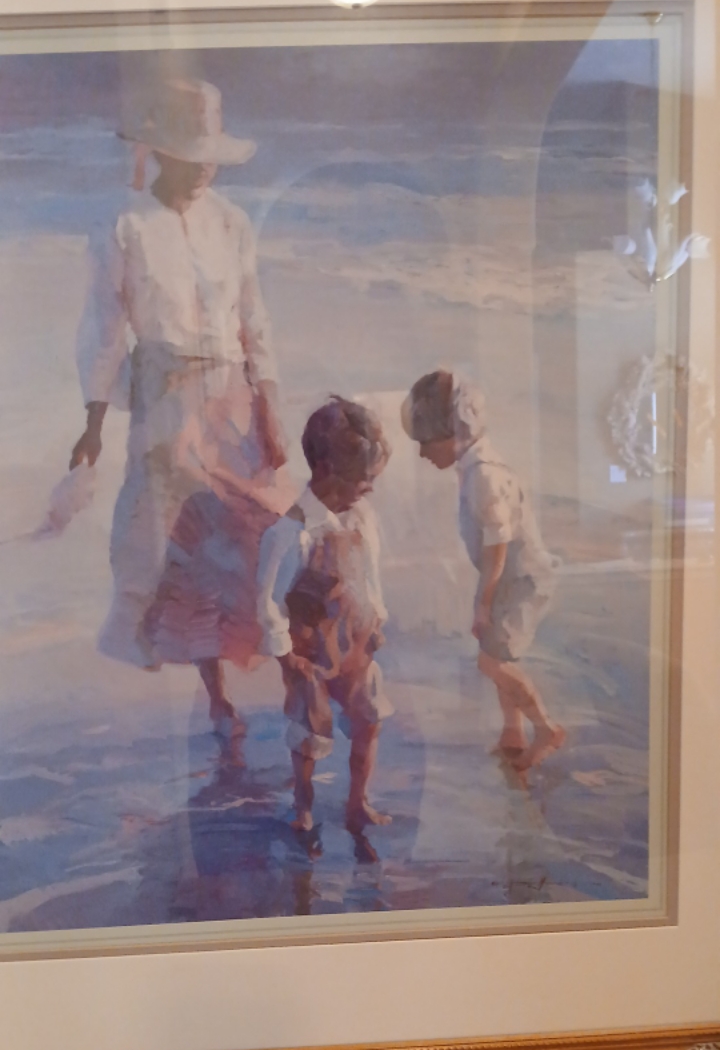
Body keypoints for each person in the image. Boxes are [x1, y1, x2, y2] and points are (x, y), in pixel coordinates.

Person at [70, 78, 289, 735]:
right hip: (164, 402)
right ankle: (215, 696)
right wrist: (93, 419)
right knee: (178, 543)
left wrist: (270, 405)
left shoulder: (233, 222)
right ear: (161, 152)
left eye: (210, 156)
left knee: (244, 535)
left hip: (230, 396)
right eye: (191, 155)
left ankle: (274, 679)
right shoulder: (125, 225)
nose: (203, 168)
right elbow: (104, 328)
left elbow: (255, 319)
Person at [402, 369, 565, 772]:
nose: (423, 454)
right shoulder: (476, 466)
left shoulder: (483, 476)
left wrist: (483, 602)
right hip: (511, 577)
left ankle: (546, 729)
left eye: (426, 443)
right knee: (496, 652)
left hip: (522, 580)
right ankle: (513, 734)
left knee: (493, 663)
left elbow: (498, 545)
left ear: (451, 435)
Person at [257, 396, 393, 835]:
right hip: (310, 651)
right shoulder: (290, 532)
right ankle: (304, 806)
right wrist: (286, 657)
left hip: (357, 643)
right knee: (309, 730)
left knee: (368, 719)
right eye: (364, 478)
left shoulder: (362, 518)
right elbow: (269, 603)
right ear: (328, 470)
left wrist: (378, 618)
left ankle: (358, 802)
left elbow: (369, 575)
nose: (369, 487)